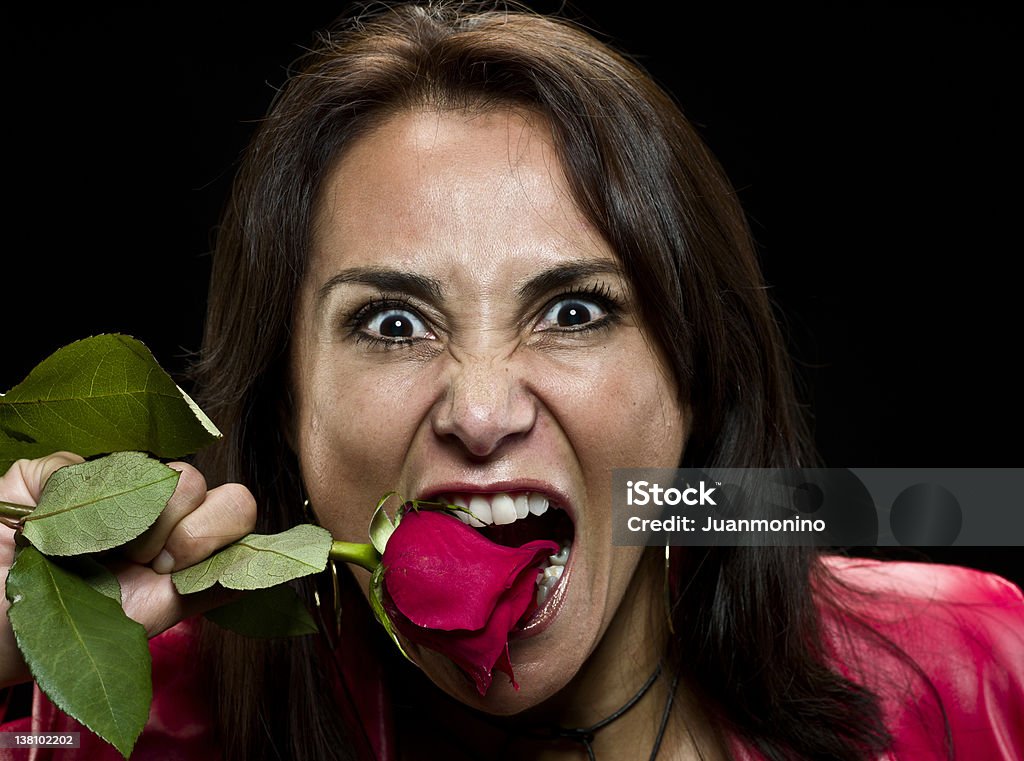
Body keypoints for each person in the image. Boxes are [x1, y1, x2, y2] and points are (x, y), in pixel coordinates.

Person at [1, 3, 1021, 760]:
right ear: (288, 413)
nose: (480, 413)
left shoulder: (978, 664)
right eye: (392, 323)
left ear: (698, 376)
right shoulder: (117, 725)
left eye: (573, 310)